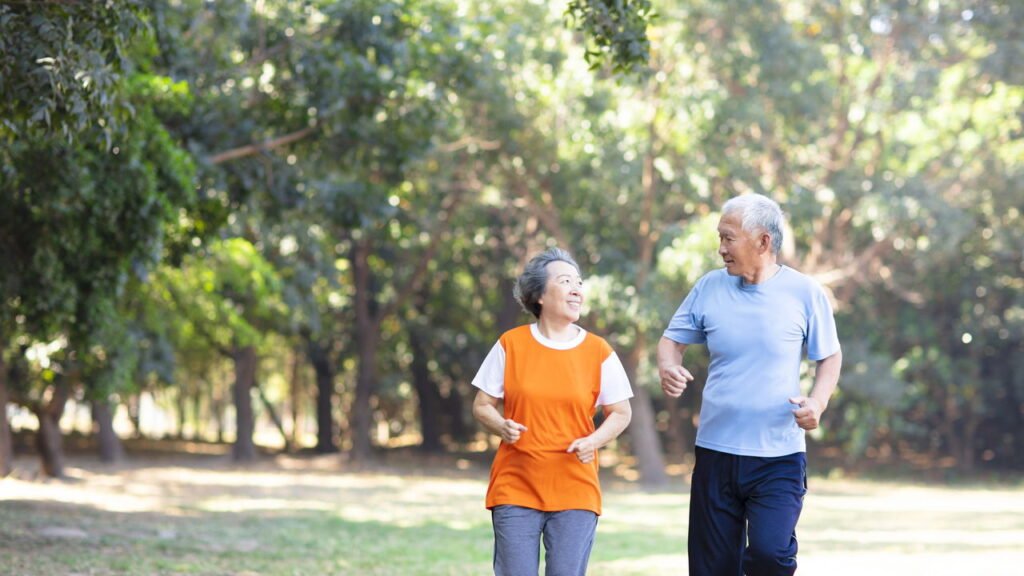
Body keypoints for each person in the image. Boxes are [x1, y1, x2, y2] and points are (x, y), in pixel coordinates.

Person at [657, 193, 842, 576]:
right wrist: (668, 365)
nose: (720, 248)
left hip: (778, 457)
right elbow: (671, 341)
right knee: (712, 567)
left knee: (770, 555)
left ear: (763, 242)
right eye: (720, 238)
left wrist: (818, 403)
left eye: (728, 238)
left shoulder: (804, 293)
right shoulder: (709, 287)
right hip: (716, 453)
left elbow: (830, 356)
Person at [472, 247, 633, 576]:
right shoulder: (510, 344)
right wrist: (502, 426)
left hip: (575, 487)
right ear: (540, 296)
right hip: (516, 485)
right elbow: (481, 405)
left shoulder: (598, 350)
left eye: (579, 282)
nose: (577, 289)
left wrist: (594, 440)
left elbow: (620, 412)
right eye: (565, 281)